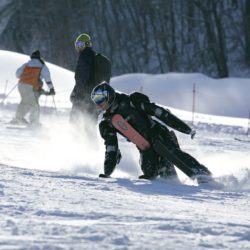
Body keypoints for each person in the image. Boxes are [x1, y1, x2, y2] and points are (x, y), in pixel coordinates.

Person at [91, 82, 212, 184]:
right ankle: (173, 184)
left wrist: (186, 129)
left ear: (109, 95)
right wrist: (107, 172)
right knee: (151, 173)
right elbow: (111, 148)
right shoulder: (107, 123)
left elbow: (161, 113)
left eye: (100, 99)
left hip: (159, 134)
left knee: (172, 153)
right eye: (96, 101)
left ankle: (202, 174)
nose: (99, 103)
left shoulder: (132, 101)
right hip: (145, 148)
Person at [12, 50, 55, 126]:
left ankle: (18, 118)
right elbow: (47, 79)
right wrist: (51, 89)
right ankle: (34, 122)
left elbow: (17, 74)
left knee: (25, 102)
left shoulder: (26, 64)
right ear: (39, 57)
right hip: (29, 87)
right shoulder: (42, 66)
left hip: (21, 85)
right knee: (34, 105)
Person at [69, 33, 97, 123]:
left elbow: (82, 78)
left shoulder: (85, 57)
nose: (78, 47)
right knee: (89, 119)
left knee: (75, 119)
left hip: (83, 95)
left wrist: (76, 93)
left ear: (87, 44)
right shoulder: (92, 56)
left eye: (81, 45)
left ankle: (76, 136)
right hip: (92, 94)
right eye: (77, 45)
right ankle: (90, 136)